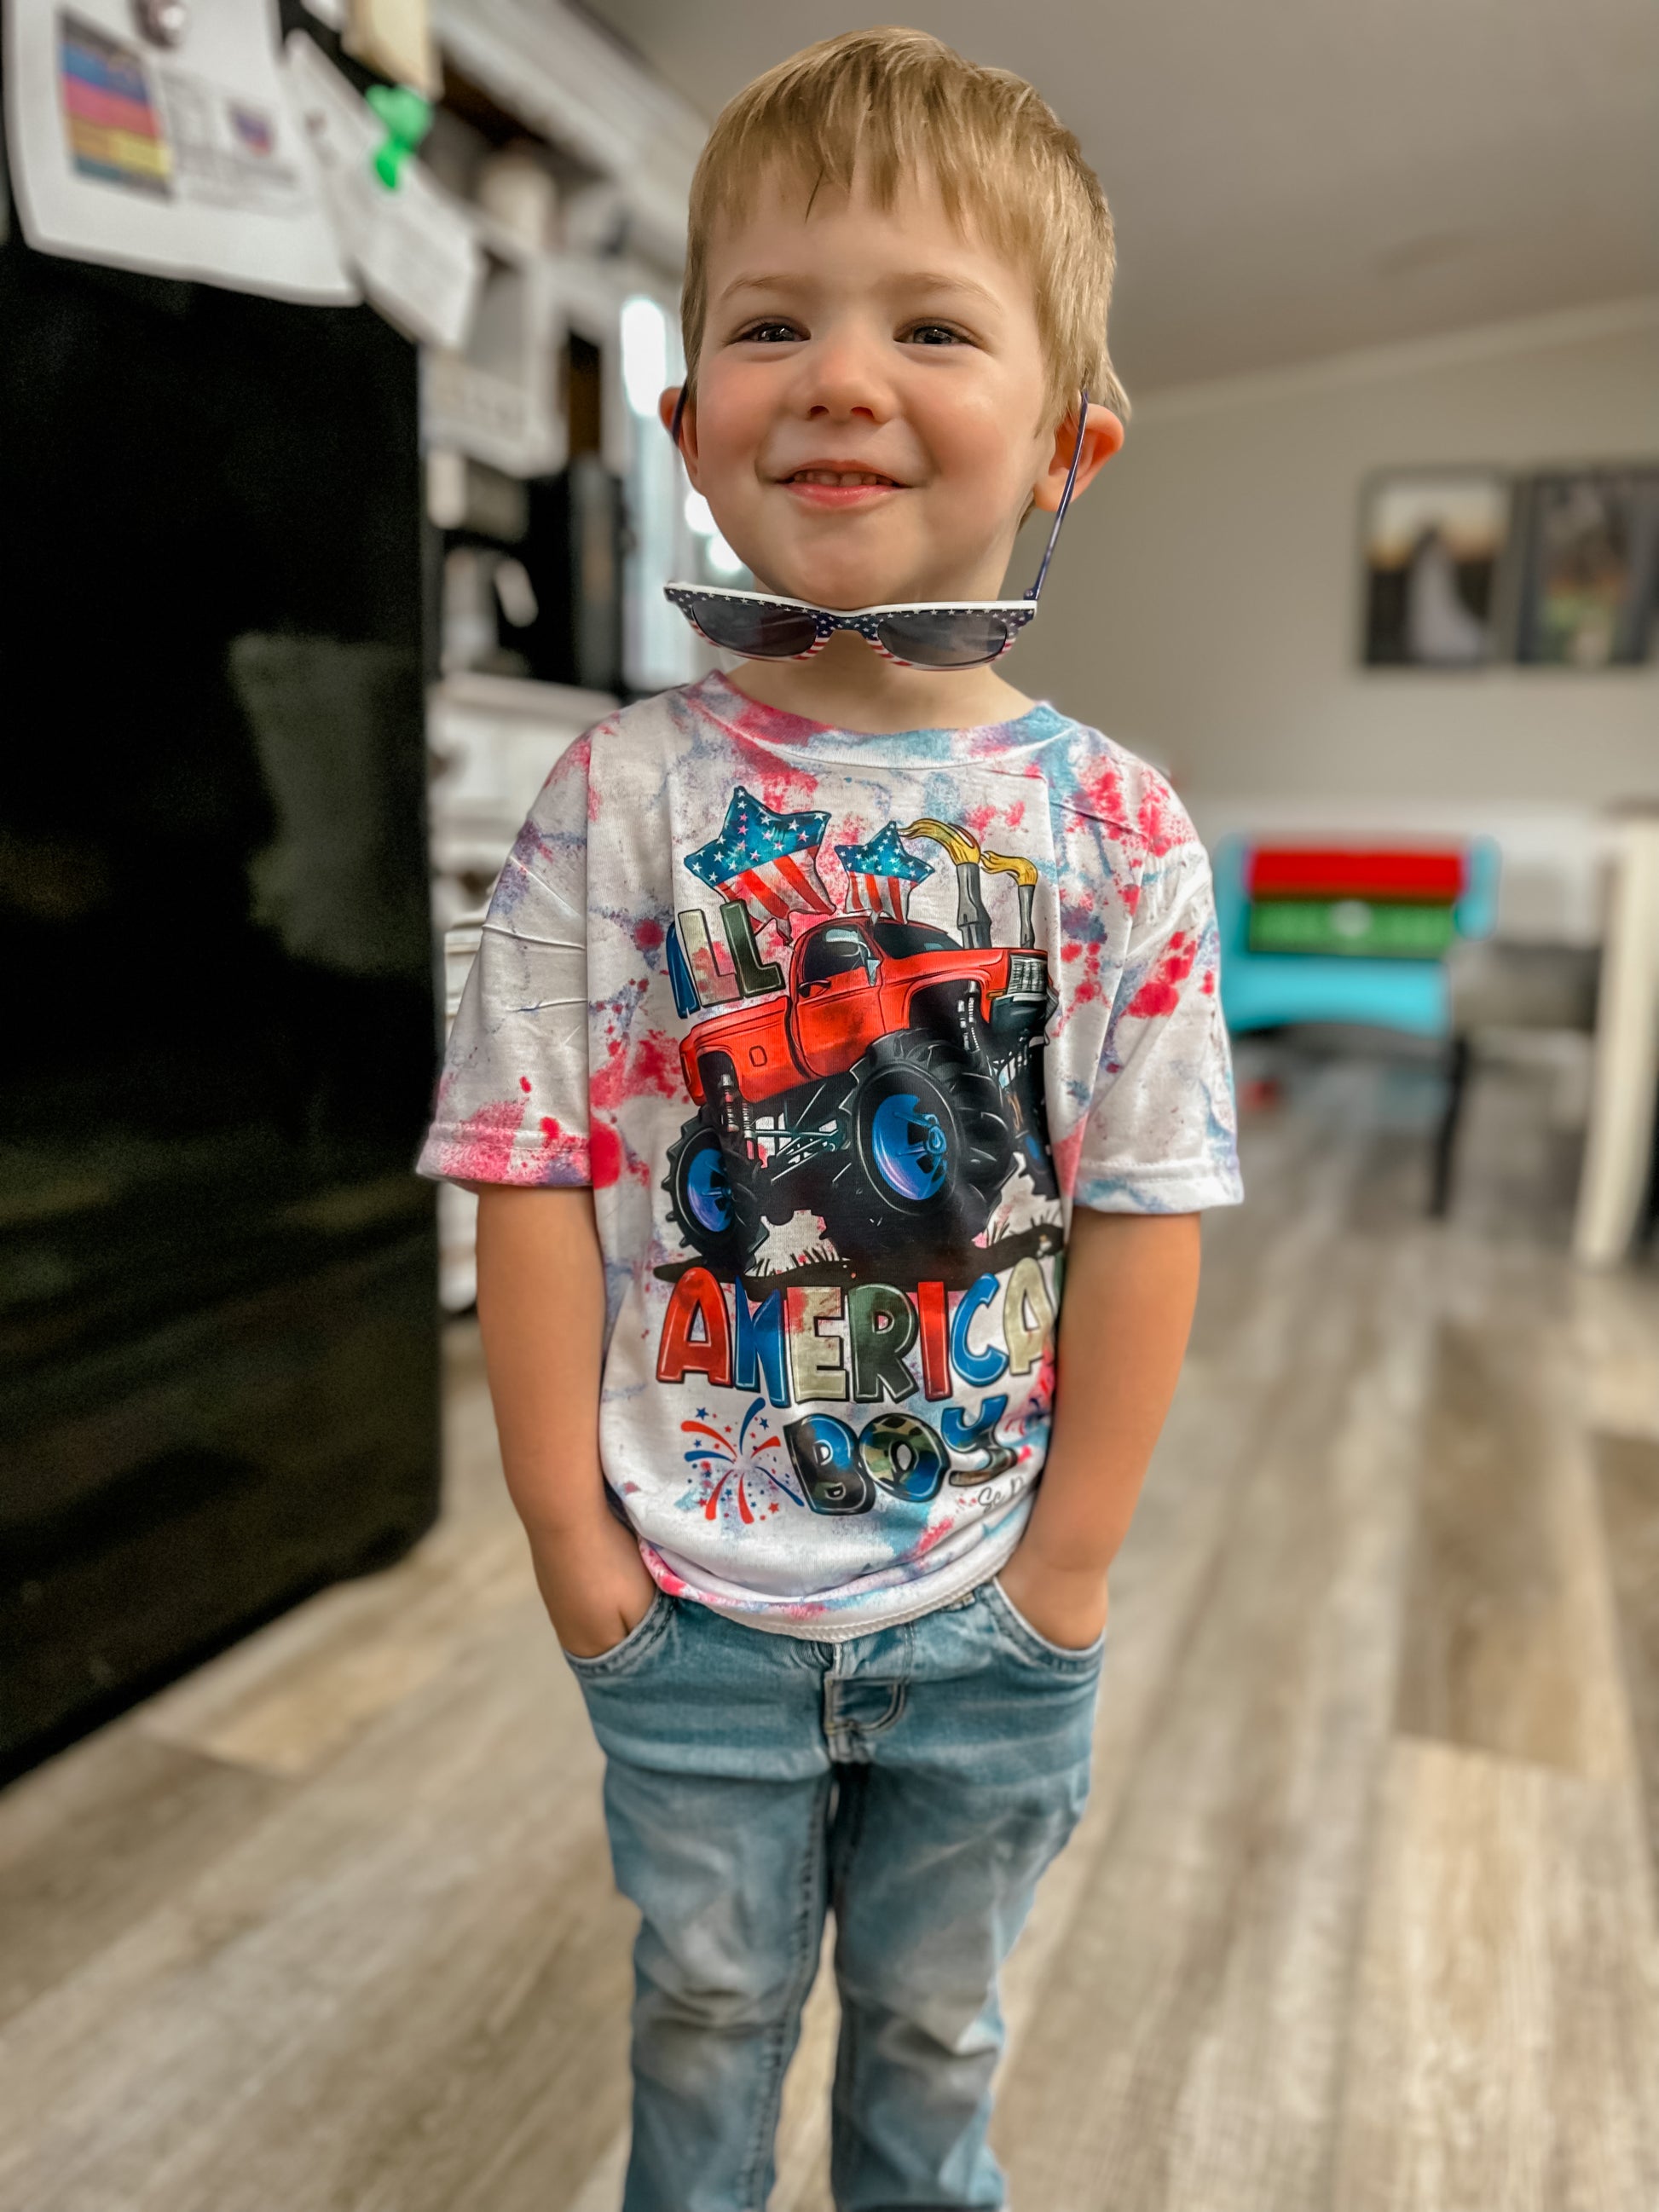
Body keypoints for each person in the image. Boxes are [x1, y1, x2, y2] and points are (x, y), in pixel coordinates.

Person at [419, 28, 1241, 2210]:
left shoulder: (1115, 832)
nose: (841, 378)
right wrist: (573, 1547)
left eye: (931, 327)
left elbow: (1143, 1199)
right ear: (688, 417)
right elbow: (524, 1162)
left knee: (939, 2017)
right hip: (681, 1598)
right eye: (771, 322)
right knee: (703, 2001)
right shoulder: (614, 797)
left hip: (990, 1599)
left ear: (1067, 441)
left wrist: (1067, 1569)